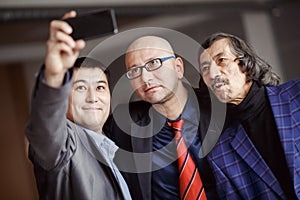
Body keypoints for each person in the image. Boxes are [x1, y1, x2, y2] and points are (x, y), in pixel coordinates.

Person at [25, 11, 131, 200]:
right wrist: (54, 76)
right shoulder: (64, 146)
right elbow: (45, 130)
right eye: (80, 88)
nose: (93, 97)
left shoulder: (114, 145)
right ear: (63, 97)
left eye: (100, 87)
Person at [105, 35, 218, 200]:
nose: (145, 78)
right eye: (135, 70)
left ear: (178, 68)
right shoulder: (123, 123)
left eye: (153, 63)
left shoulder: (217, 105)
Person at [198, 32, 300, 199]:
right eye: (205, 68)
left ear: (245, 64)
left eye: (221, 60)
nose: (213, 73)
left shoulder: (296, 93)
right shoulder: (220, 154)